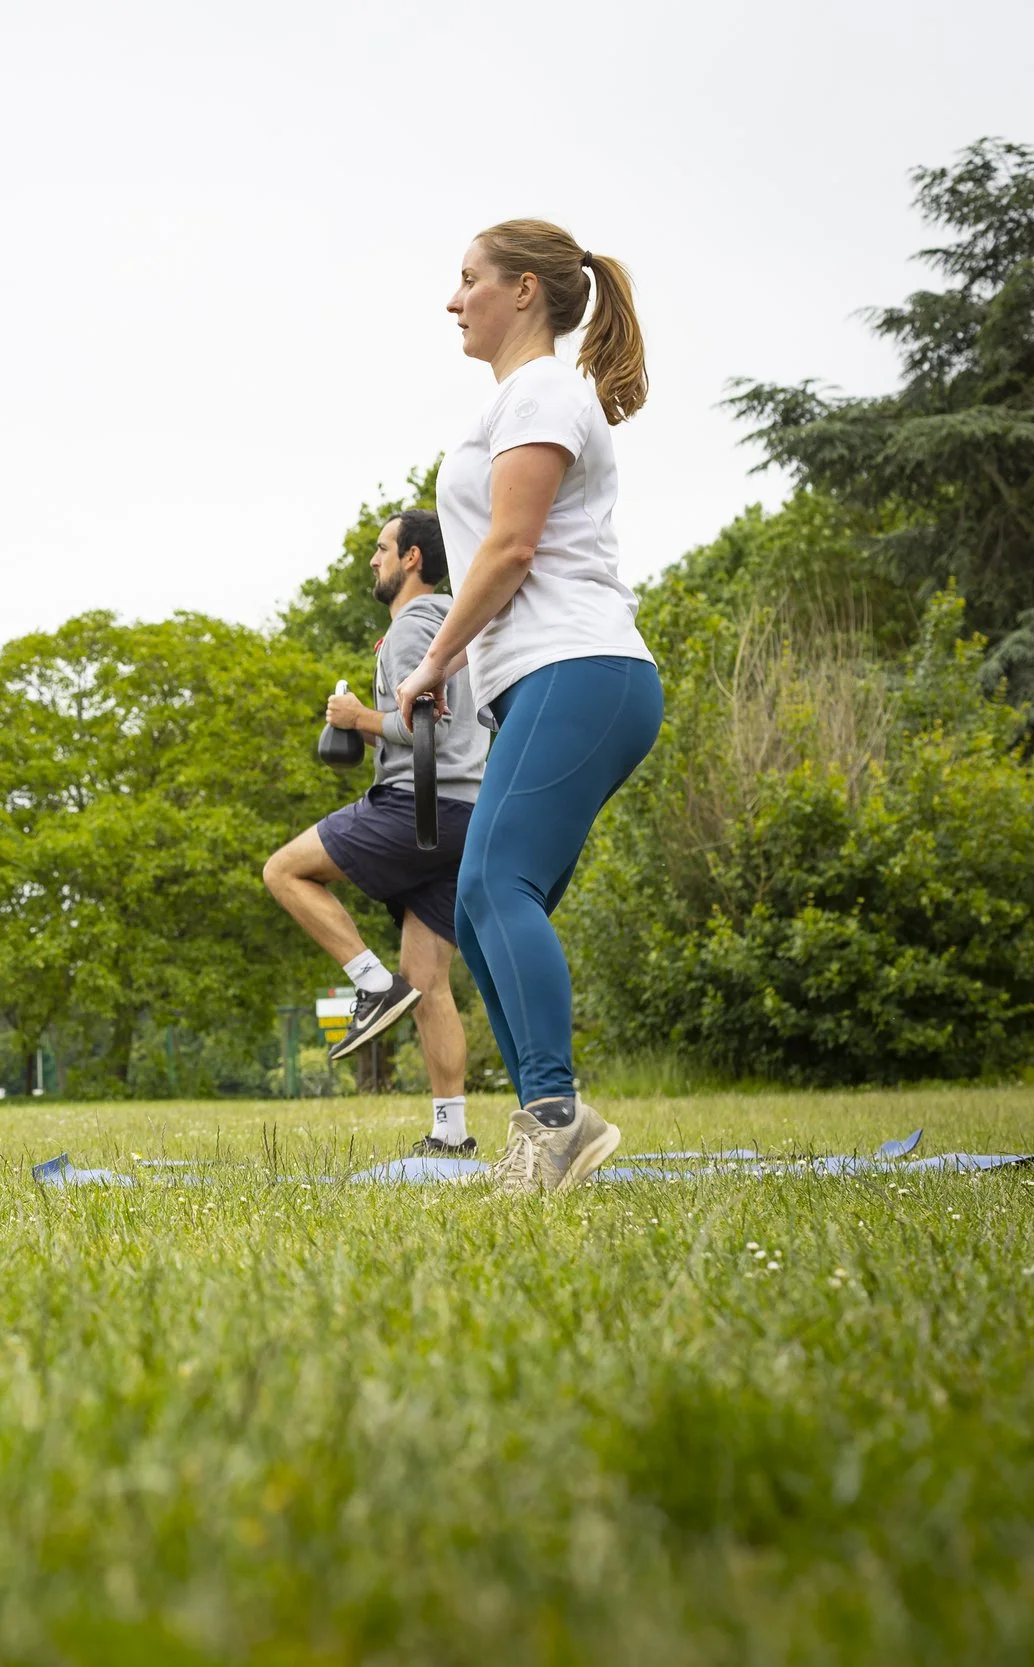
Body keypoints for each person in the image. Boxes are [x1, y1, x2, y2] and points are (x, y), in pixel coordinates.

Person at [394, 220, 662, 1194]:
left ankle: (556, 1118)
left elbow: (511, 547)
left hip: (579, 667)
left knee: (495, 884)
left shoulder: (544, 389)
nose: (452, 299)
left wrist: (434, 662)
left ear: (523, 290)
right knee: (481, 903)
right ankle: (544, 1127)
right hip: (551, 678)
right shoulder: (519, 398)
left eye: (468, 278)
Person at [262, 510, 487, 1155]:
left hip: (419, 806)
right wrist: (368, 725)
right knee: (429, 983)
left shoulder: (414, 626)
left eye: (382, 548)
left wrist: (357, 717)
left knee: (284, 870)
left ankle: (369, 982)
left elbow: (429, 725)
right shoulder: (457, 623)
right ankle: (451, 1135)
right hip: (467, 814)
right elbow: (437, 724)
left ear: (412, 557)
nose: (373, 559)